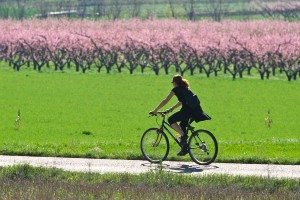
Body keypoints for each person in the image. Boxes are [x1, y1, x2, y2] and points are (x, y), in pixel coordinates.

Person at [150, 75, 208, 156]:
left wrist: (155, 110)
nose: (172, 84)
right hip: (195, 111)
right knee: (182, 125)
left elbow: (165, 100)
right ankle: (184, 148)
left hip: (187, 111)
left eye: (172, 82)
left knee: (170, 120)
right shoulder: (185, 88)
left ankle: (184, 136)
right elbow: (181, 101)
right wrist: (171, 109)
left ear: (175, 82)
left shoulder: (176, 89)